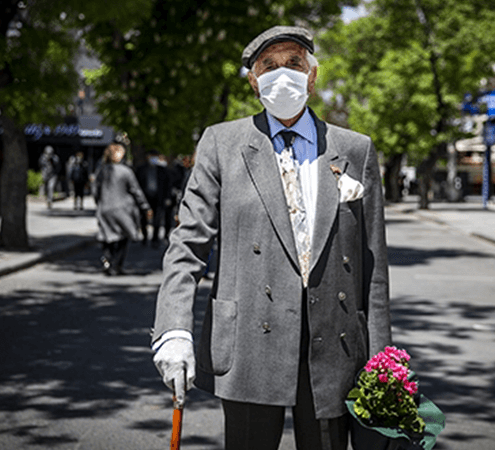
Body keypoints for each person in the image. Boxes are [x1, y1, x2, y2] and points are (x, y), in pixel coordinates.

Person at [151, 26, 391, 450]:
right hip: (248, 344)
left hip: (332, 346)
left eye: (294, 64)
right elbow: (187, 244)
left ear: (312, 76)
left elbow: (373, 272)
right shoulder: (222, 144)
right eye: (269, 66)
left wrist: (382, 362)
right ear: (253, 80)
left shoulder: (354, 149)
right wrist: (173, 328)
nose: (283, 75)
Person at [94, 143, 150, 276]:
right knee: (123, 237)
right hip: (122, 209)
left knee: (107, 235)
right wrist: (145, 206)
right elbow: (136, 191)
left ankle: (107, 259)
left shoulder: (102, 171)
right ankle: (116, 266)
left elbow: (95, 190)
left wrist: (100, 203)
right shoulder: (126, 171)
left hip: (105, 208)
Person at [134, 150, 173, 246]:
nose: (154, 159)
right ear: (148, 157)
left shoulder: (162, 170)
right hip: (145, 197)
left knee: (158, 218)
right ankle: (145, 236)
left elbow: (168, 185)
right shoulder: (141, 169)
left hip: (158, 197)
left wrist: (167, 197)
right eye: (152, 156)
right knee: (143, 217)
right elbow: (136, 184)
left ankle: (155, 238)